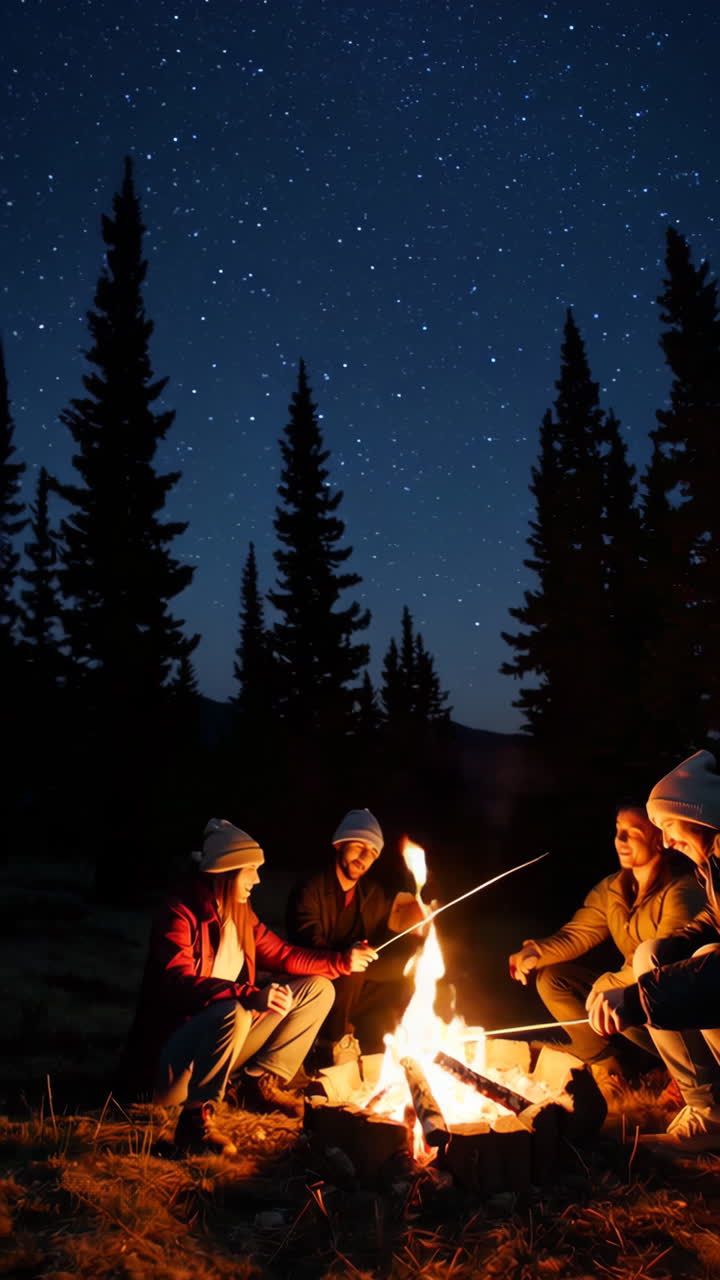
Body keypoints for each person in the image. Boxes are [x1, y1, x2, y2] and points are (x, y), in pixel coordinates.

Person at [117, 818, 377, 1153]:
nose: (256, 879)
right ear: (226, 869)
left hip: (220, 1046)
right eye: (251, 869)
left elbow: (281, 953)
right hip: (171, 1064)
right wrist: (250, 996)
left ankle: (259, 1084)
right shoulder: (180, 910)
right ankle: (196, 1120)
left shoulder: (240, 912)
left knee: (318, 988)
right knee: (235, 1012)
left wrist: (340, 962)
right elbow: (176, 982)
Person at [508, 802, 704, 1100]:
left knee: (611, 997)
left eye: (632, 832)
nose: (620, 840)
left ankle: (691, 1072)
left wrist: (611, 986)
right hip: (634, 992)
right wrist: (537, 951)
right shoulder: (614, 888)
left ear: (658, 841)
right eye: (618, 831)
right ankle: (611, 1067)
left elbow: (667, 961)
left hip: (679, 1001)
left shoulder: (681, 891)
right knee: (553, 979)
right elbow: (578, 933)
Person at [587, 750, 720, 1148]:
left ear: (699, 814)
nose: (665, 840)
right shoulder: (713, 862)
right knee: (653, 954)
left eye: (666, 825)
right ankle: (708, 1110)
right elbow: (715, 921)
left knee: (699, 961)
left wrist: (636, 998)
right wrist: (665, 950)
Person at [285, 808, 427, 1063]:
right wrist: (345, 956)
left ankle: (395, 1047)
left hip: (352, 987)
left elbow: (394, 916)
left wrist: (421, 916)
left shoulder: (370, 893)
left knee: (409, 972)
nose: (364, 856)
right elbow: (306, 940)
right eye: (359, 846)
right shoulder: (312, 886)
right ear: (340, 844)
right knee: (355, 968)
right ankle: (330, 1047)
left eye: (373, 852)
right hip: (313, 980)